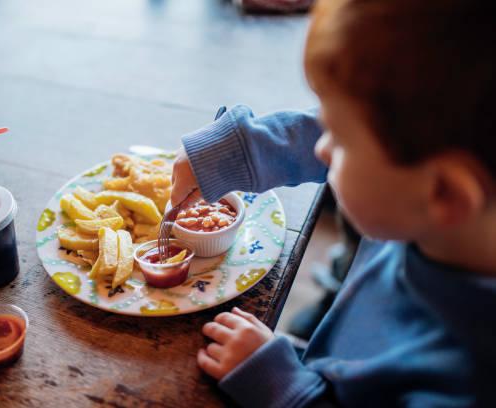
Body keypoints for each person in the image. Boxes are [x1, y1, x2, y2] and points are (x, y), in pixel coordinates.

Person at [170, 0, 496, 406]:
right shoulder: (433, 204)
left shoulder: (462, 385)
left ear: (444, 193)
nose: (322, 150)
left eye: (338, 142)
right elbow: (357, 128)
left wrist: (288, 389)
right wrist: (237, 151)